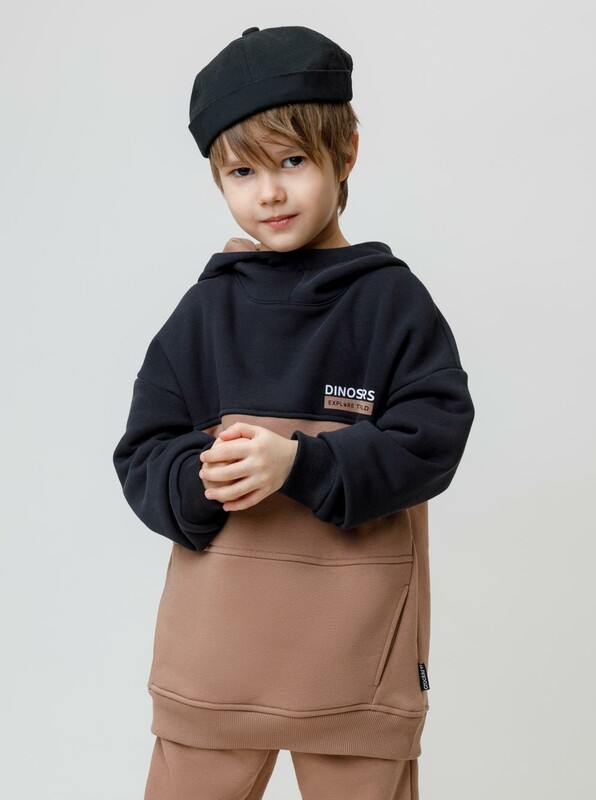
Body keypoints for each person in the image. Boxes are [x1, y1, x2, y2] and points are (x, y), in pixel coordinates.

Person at [112, 24, 476, 800]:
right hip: (213, 662)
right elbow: (142, 453)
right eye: (243, 171)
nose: (269, 192)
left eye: (292, 161)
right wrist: (199, 479)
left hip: (357, 663)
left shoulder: (389, 302)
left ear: (346, 154)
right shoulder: (205, 312)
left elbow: (434, 436)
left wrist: (302, 463)